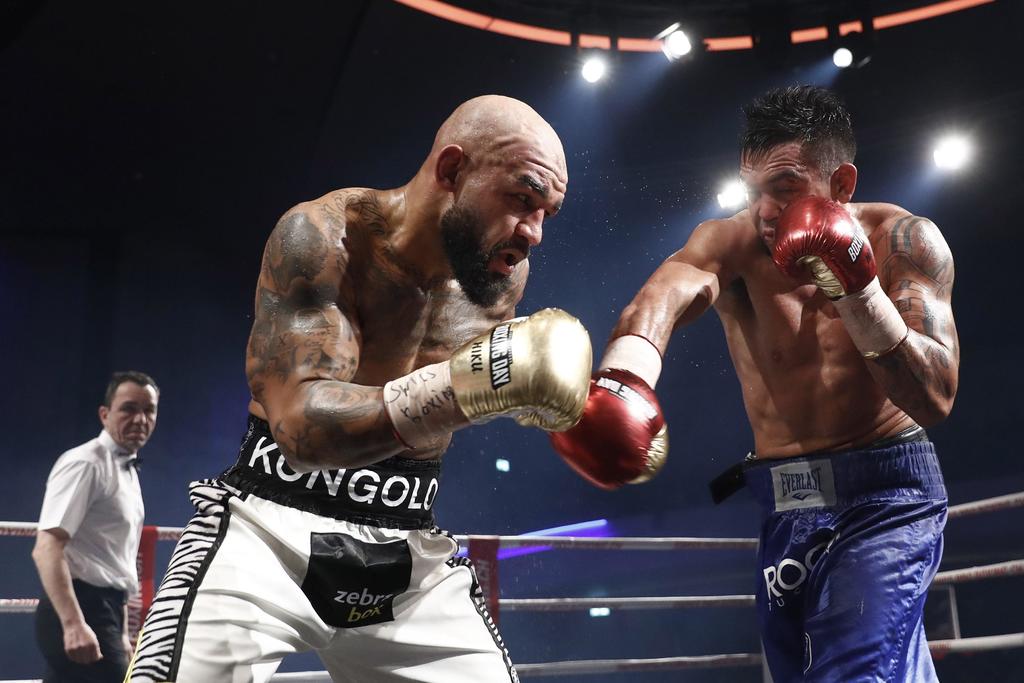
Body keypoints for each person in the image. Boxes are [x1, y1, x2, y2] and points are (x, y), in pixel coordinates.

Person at [126, 95, 593, 683]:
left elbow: (509, 385)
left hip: (407, 545)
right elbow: (301, 428)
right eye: (522, 199)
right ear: (452, 170)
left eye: (547, 212)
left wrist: (582, 405)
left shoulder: (500, 275)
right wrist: (473, 384)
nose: (535, 233)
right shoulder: (325, 237)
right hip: (269, 528)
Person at [552, 85, 959, 682]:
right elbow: (664, 296)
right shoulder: (734, 244)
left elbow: (936, 396)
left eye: (785, 188)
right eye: (753, 190)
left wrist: (859, 291)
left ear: (841, 184)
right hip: (785, 502)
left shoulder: (903, 240)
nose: (765, 211)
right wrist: (625, 376)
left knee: (854, 671)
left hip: (887, 497)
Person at [33, 371, 159, 683]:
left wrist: (122, 633)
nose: (140, 419)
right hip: (80, 607)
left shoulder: (126, 470)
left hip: (105, 609)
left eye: (149, 410)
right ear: (105, 414)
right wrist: (73, 624)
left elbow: (114, 562)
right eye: (129, 408)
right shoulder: (86, 463)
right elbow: (47, 547)